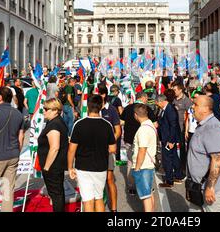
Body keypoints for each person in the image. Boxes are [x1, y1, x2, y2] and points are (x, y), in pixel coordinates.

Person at [67, 95, 116, 212]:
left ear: (88, 106)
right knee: (99, 198)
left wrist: (70, 167)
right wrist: (102, 150)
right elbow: (113, 148)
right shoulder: (107, 125)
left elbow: (71, 149)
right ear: (101, 107)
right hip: (101, 166)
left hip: (83, 167)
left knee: (87, 200)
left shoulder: (79, 124)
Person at [188, 95, 220, 212]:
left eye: (196, 104)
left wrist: (210, 187)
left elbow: (217, 159)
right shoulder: (204, 125)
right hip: (198, 187)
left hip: (212, 190)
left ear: (206, 109)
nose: (192, 107)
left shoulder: (212, 128)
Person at [121, 91, 158, 195]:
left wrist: (129, 124)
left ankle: (131, 187)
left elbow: (121, 122)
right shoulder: (146, 109)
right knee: (144, 163)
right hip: (143, 141)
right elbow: (155, 124)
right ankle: (145, 187)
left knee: (130, 162)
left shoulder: (128, 108)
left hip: (129, 139)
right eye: (146, 99)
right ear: (143, 98)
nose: (147, 101)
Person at [38, 98, 69, 212]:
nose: (44, 111)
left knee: (56, 194)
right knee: (57, 193)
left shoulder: (55, 124)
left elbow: (54, 147)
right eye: (43, 109)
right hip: (56, 165)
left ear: (55, 110)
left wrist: (46, 167)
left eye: (46, 109)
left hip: (53, 166)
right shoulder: (55, 122)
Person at [97, 84, 121, 212]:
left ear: (103, 95)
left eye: (98, 94)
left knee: (109, 179)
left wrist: (110, 143)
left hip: (107, 150)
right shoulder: (92, 109)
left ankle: (114, 208)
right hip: (95, 151)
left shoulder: (111, 110)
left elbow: (118, 130)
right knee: (96, 181)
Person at [131, 104, 158, 212]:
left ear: (136, 115)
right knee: (149, 193)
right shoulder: (150, 125)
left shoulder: (143, 130)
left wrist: (137, 168)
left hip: (143, 166)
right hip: (149, 164)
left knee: (145, 196)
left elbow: (142, 150)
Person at [156, 94, 185, 188]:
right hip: (166, 137)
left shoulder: (170, 110)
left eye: (157, 103)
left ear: (161, 101)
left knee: (167, 159)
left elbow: (173, 126)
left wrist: (171, 141)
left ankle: (169, 181)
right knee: (174, 157)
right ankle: (178, 175)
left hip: (169, 139)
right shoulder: (164, 109)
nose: (157, 104)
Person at [172, 82, 193, 173]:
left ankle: (182, 166)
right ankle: (175, 165)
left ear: (180, 90)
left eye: (175, 90)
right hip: (173, 127)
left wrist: (186, 130)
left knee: (182, 148)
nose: (173, 91)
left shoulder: (187, 101)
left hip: (182, 128)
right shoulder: (172, 99)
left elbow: (190, 115)